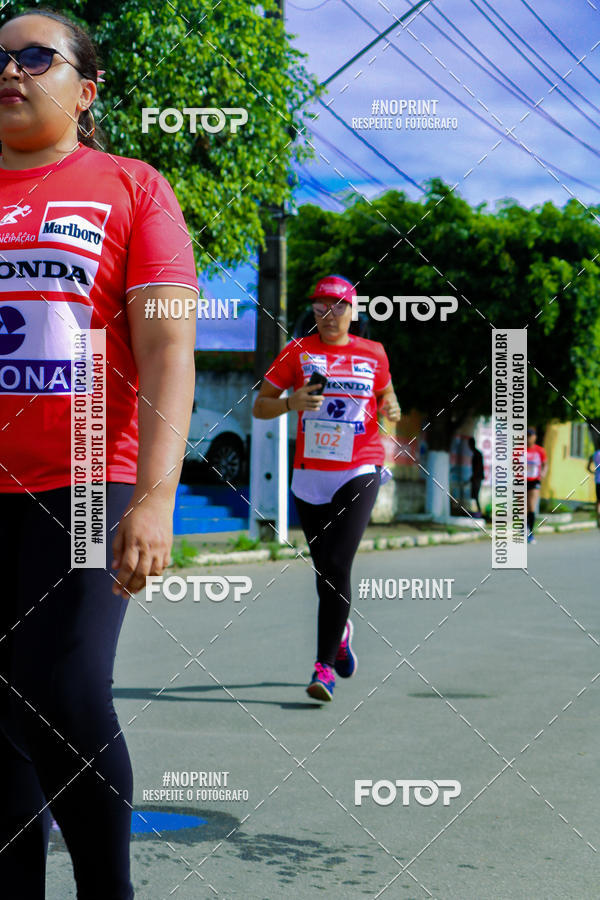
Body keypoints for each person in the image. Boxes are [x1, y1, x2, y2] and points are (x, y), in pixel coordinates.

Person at [0, 9, 198, 899]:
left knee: (66, 685)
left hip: (85, 477)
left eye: (35, 56)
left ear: (84, 89)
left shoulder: (130, 185)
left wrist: (154, 499)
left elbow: (166, 351)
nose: (11, 70)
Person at [253, 274, 401, 702]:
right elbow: (262, 406)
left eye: (338, 306)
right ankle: (342, 631)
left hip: (360, 466)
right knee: (325, 575)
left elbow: (388, 399)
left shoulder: (373, 353)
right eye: (321, 307)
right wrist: (289, 404)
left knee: (337, 565)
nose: (329, 314)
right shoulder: (297, 352)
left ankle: (323, 670)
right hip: (310, 475)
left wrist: (391, 406)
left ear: (353, 312)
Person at [526, 427, 548, 544]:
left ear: (535, 437)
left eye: (531, 435)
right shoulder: (519, 450)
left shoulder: (539, 450)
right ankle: (523, 528)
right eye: (527, 435)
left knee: (531, 507)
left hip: (534, 481)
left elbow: (545, 464)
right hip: (521, 481)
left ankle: (530, 533)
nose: (529, 438)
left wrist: (543, 473)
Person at [467, 436, 484, 516]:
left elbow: (478, 468)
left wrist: (473, 477)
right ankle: (475, 512)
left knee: (475, 495)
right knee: (473, 495)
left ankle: (479, 512)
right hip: (476, 477)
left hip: (477, 478)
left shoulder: (477, 454)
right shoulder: (476, 453)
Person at [586, 445, 600, 526]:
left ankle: (598, 520)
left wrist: (594, 472)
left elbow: (588, 467)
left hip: (598, 480)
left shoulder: (594, 455)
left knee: (598, 501)